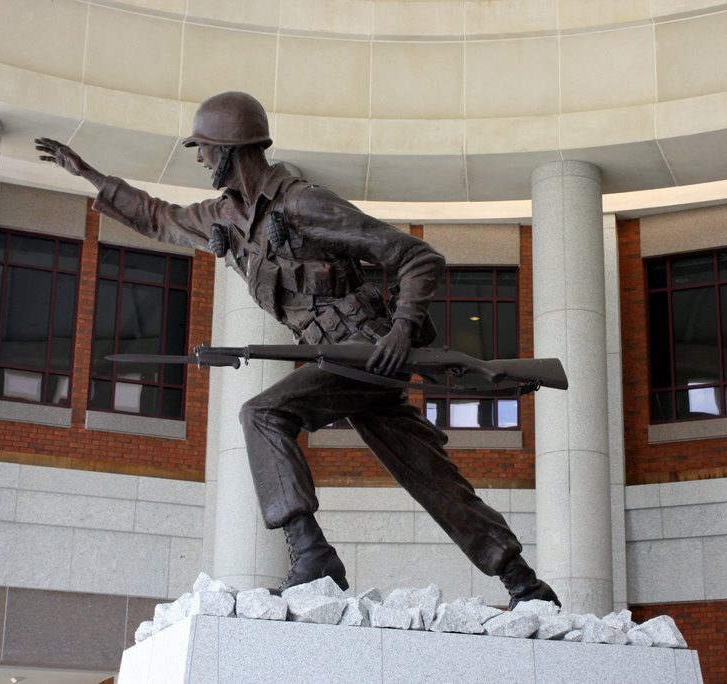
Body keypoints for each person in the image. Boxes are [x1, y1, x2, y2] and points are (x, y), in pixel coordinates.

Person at [35, 91, 558, 609]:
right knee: (433, 479)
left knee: (262, 414)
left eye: (203, 147)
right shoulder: (224, 218)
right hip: (337, 364)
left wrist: (401, 331)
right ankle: (526, 585)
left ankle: (311, 555)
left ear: (230, 147)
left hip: (370, 351)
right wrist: (90, 176)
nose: (198, 157)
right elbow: (157, 216)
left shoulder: (304, 203)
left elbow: (418, 257)